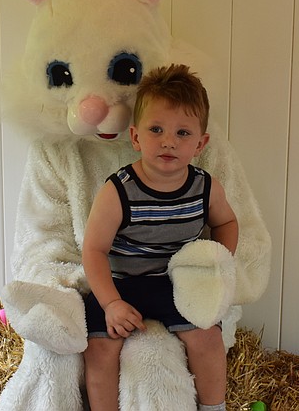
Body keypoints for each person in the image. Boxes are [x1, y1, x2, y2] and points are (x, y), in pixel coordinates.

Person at [82, 63, 239, 411]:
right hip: (122, 281)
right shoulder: (119, 190)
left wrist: (216, 264)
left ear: (201, 143)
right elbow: (93, 249)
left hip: (175, 282)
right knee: (99, 347)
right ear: (136, 137)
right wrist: (110, 303)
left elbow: (227, 222)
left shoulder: (204, 187)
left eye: (183, 133)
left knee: (207, 336)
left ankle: (214, 406)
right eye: (157, 129)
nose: (169, 141)